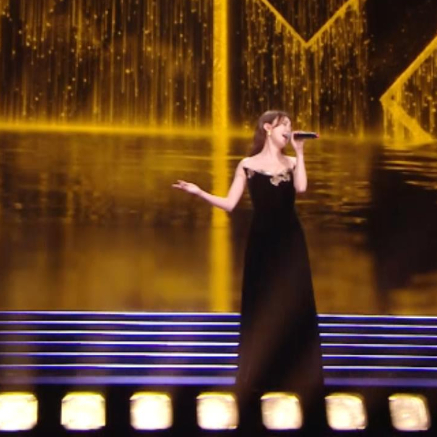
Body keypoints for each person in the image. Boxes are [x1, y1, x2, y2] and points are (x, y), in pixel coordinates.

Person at [173, 110, 326, 434]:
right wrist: (199, 192)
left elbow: (301, 189)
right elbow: (230, 204)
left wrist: (300, 152)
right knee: (262, 301)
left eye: (290, 126)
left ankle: (299, 371)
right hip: (262, 241)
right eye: (284, 125)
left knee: (295, 301)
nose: (289, 129)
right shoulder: (247, 165)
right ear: (268, 128)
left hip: (291, 239)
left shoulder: (292, 163)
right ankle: (262, 372)